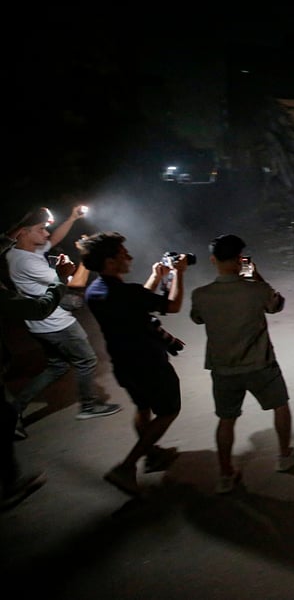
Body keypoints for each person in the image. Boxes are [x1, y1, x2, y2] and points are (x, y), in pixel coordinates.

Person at [190, 234, 294, 495]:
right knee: (280, 405)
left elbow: (197, 319)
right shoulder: (256, 290)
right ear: (240, 260)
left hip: (222, 369)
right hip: (260, 364)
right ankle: (285, 454)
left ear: (213, 260)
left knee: (226, 420)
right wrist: (257, 278)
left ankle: (225, 474)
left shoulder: (201, 295)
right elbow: (276, 305)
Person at [77, 232, 187, 496]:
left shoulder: (96, 291)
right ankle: (126, 466)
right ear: (110, 261)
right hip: (148, 361)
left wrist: (157, 276)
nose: (129, 256)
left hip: (123, 362)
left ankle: (152, 454)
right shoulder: (126, 293)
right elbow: (172, 305)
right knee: (169, 410)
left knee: (143, 406)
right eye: (123, 253)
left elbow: (134, 301)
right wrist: (179, 274)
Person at [4, 207, 120, 432]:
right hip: (57, 324)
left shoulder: (18, 252)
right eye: (41, 230)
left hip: (38, 323)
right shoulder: (29, 263)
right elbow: (75, 283)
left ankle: (15, 408)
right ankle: (88, 406)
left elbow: (54, 238)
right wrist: (86, 255)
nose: (47, 234)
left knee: (56, 367)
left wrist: (73, 218)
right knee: (87, 361)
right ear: (23, 233)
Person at [1, 255, 75, 509]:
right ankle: (10, 485)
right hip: (46, 321)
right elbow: (38, 308)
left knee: (7, 414)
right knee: (5, 416)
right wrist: (61, 277)